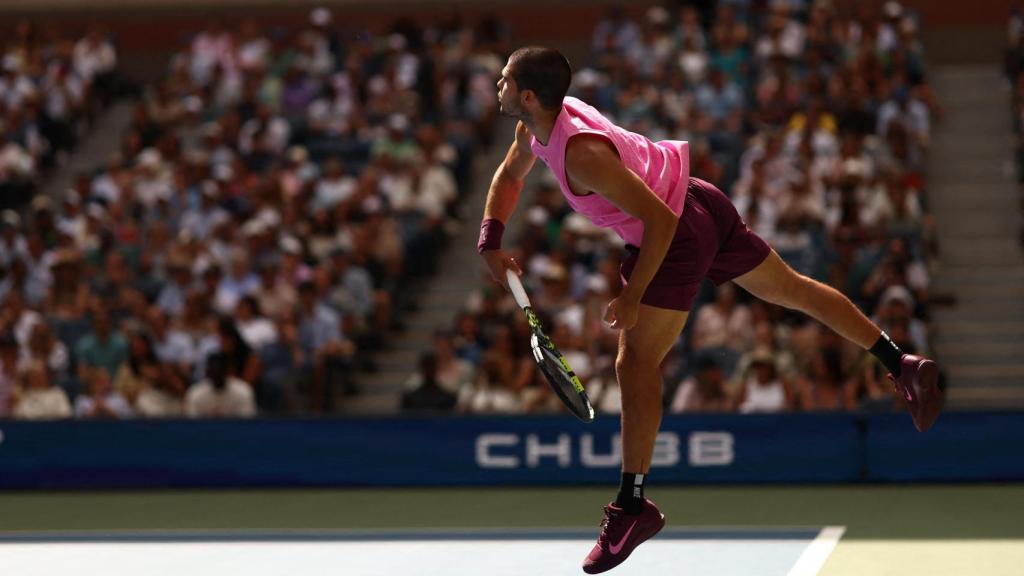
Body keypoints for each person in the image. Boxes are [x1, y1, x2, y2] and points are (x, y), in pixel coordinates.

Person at [477, 46, 942, 574]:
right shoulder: (536, 127)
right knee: (793, 289)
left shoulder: (581, 154)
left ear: (528, 96)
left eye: (504, 79)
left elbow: (659, 222)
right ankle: (900, 362)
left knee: (634, 363)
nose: (498, 85)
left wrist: (633, 296)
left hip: (675, 231)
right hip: (701, 199)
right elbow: (509, 178)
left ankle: (631, 507)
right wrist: (490, 239)